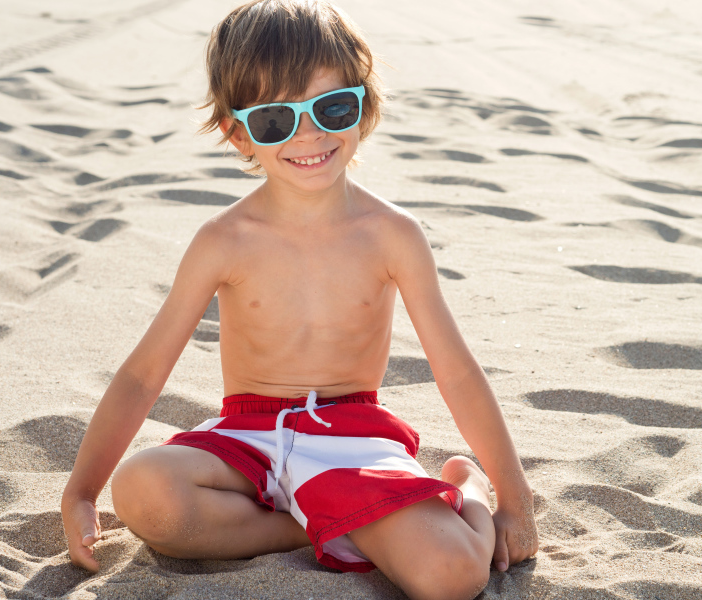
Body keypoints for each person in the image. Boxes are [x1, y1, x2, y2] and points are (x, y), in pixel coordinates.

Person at [60, 1, 538, 598]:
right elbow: (141, 376)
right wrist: (82, 492)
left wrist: (513, 498)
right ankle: (309, 526)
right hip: (247, 437)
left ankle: (461, 489)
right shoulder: (223, 240)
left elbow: (458, 372)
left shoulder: (393, 235)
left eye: (332, 107)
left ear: (364, 106)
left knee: (451, 577)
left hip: (355, 438)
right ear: (238, 132)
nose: (308, 135)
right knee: (145, 493)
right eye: (274, 120)